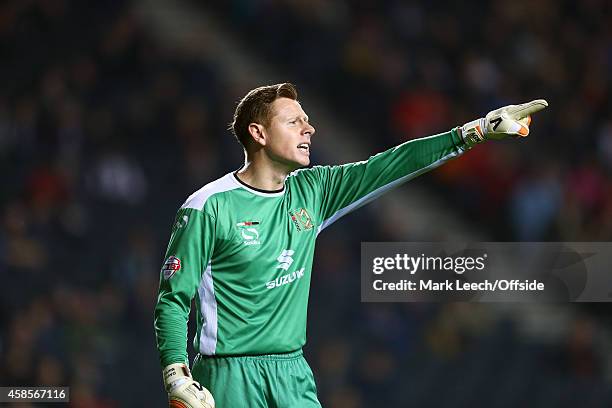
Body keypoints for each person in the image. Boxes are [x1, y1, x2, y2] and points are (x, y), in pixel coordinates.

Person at [154, 83, 547, 407]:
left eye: (307, 120)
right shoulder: (209, 207)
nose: (309, 129)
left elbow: (390, 164)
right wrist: (176, 374)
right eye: (294, 122)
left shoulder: (314, 190)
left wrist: (473, 131)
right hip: (228, 377)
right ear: (258, 134)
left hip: (291, 374)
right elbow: (173, 298)